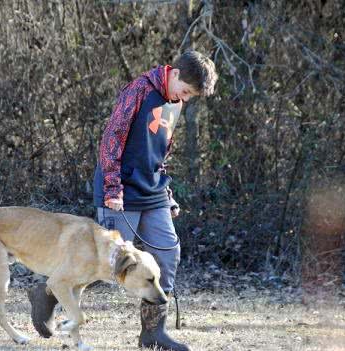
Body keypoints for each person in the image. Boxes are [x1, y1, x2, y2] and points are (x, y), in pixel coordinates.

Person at [27, 50, 218, 351]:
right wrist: (112, 186)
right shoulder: (140, 90)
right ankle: (48, 293)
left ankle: (153, 333)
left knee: (168, 254)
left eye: (192, 95)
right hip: (120, 192)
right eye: (188, 90)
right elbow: (112, 138)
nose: (188, 98)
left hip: (153, 193)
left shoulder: (176, 102)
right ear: (176, 73)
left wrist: (167, 195)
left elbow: (160, 153)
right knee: (106, 265)